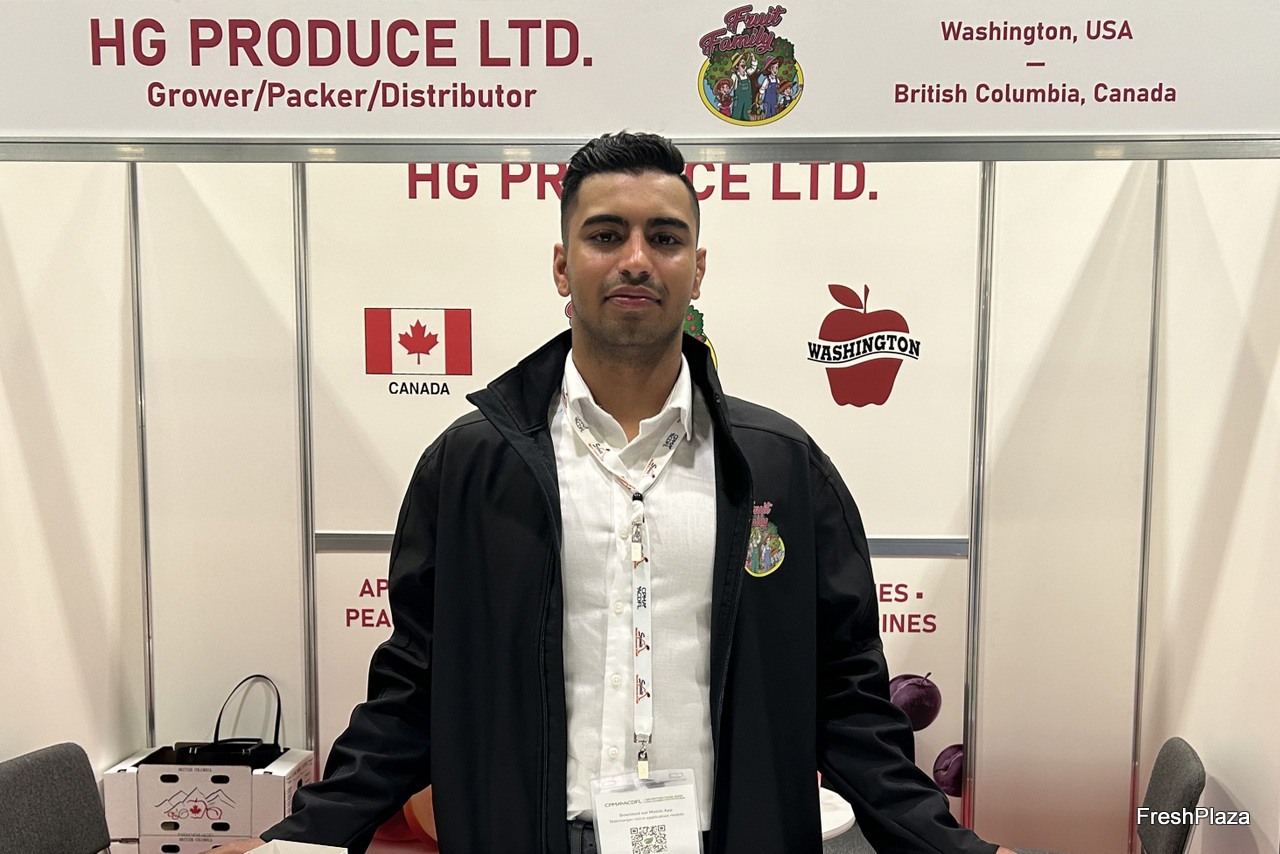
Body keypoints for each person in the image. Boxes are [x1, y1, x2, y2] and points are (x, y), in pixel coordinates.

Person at [204, 132, 1015, 854]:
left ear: (697, 268)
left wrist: (951, 848)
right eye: (605, 235)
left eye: (664, 237)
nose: (635, 259)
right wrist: (301, 839)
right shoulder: (471, 466)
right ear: (562, 264)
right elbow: (414, 690)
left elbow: (851, 704)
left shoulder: (781, 468)